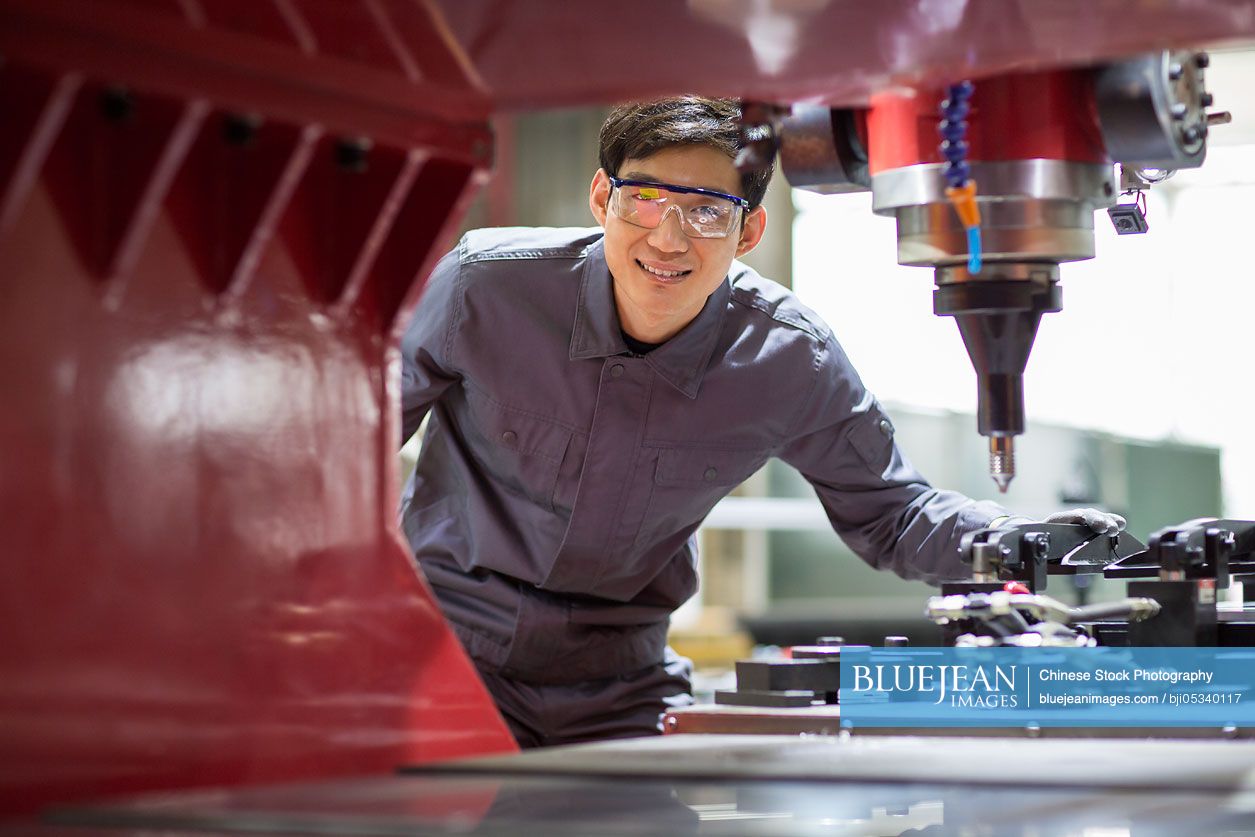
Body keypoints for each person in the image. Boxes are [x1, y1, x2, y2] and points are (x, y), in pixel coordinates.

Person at [399, 96, 1123, 748]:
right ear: (600, 198)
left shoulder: (786, 357)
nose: (668, 238)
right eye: (644, 198)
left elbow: (890, 514)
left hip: (620, 689)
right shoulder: (483, 289)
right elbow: (342, 445)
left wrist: (1004, 541)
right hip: (439, 660)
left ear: (749, 231)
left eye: (708, 210)